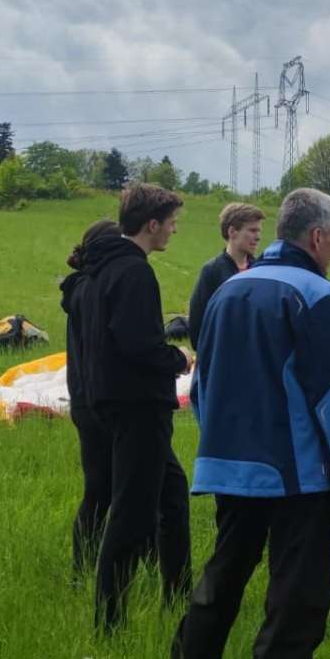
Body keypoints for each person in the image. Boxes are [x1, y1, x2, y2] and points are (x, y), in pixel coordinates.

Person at [157, 188, 330, 659]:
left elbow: (202, 383)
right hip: (297, 475)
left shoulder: (229, 289)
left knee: (224, 572)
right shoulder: (318, 296)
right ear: (317, 236)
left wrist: (219, 446)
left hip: (231, 466)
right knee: (297, 595)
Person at [76, 183, 194, 632]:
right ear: (152, 224)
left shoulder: (102, 268)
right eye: (172, 223)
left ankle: (178, 594)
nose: (174, 230)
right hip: (138, 407)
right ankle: (109, 621)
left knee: (172, 495)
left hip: (113, 403)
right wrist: (179, 358)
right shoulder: (133, 272)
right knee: (131, 513)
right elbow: (139, 346)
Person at [61, 218, 122, 578]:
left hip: (84, 401)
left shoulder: (80, 287)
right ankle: (87, 571)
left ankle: (82, 570)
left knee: (99, 491)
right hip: (98, 402)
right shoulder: (91, 290)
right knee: (103, 492)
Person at [188, 202, 265, 357]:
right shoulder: (212, 271)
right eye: (252, 230)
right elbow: (197, 324)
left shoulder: (261, 271)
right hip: (222, 357)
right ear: (232, 232)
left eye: (258, 231)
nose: (258, 237)